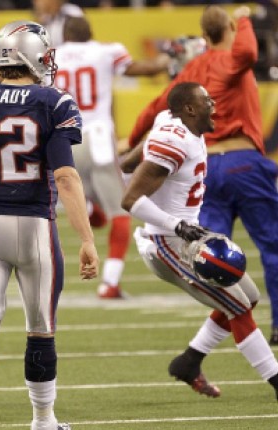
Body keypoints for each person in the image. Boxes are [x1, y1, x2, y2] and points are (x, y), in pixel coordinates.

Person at [0, 20, 99, 430]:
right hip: (34, 227)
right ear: (31, 54)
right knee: (40, 329)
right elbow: (66, 177)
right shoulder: (53, 101)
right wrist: (87, 240)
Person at [126, 5, 278, 344]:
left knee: (211, 259)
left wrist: (131, 146)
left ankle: (198, 353)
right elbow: (248, 52)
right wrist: (244, 18)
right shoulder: (231, 57)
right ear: (226, 30)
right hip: (243, 164)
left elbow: (153, 109)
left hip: (209, 170)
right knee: (273, 246)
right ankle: (273, 325)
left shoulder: (190, 71)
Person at [121, 81, 278, 401]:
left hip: (186, 235)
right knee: (238, 309)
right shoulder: (173, 140)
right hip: (167, 241)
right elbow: (131, 201)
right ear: (190, 109)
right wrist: (175, 225)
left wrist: (133, 159)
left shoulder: (169, 121)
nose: (214, 106)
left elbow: (127, 163)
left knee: (247, 297)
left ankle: (190, 361)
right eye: (207, 101)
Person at [54, 16, 171, 298]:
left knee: (90, 208)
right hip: (97, 138)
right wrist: (169, 60)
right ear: (90, 32)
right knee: (121, 212)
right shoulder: (105, 51)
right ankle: (110, 283)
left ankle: (92, 207)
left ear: (64, 34)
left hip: (64, 140)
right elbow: (140, 69)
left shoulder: (51, 56)